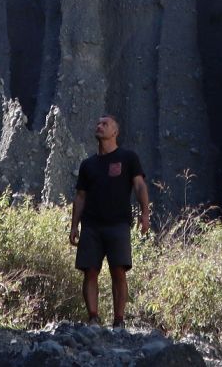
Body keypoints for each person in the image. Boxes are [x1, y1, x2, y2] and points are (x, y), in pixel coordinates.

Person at [68, 113, 150, 327]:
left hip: (119, 224)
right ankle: (93, 318)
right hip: (91, 225)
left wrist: (145, 213)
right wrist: (74, 225)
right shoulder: (88, 165)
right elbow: (80, 196)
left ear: (115, 132)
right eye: (98, 123)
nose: (100, 126)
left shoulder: (128, 158)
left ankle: (119, 320)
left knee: (119, 271)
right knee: (90, 271)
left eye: (105, 124)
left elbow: (140, 186)